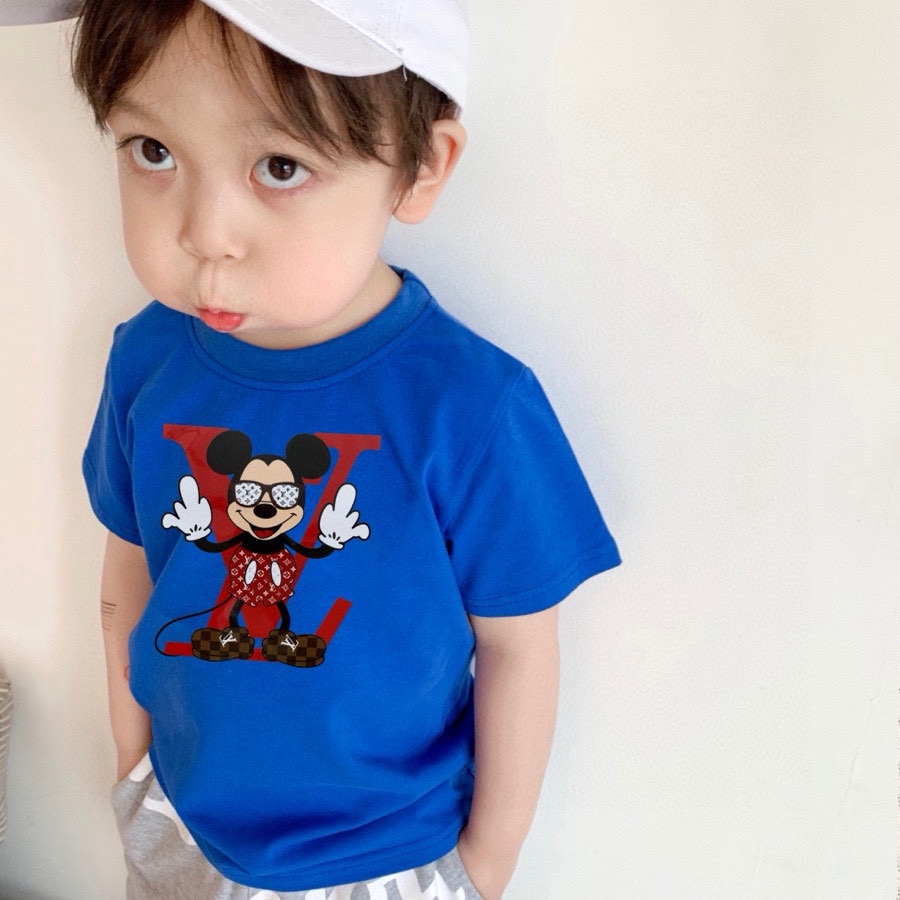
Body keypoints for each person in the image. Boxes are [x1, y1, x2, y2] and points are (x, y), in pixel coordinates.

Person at [3, 1, 621, 897]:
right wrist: (133, 762)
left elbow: (519, 647)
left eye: (280, 166)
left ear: (421, 166)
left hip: (390, 857)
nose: (205, 235)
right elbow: (129, 563)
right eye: (154, 150)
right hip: (181, 828)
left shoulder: (472, 407)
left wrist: (485, 864)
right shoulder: (146, 361)